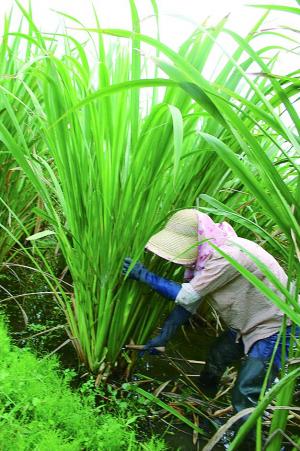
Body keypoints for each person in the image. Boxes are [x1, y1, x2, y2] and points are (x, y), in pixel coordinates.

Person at [122, 209, 298, 446]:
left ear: (197, 240)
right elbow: (189, 304)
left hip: (276, 327)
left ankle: (242, 443)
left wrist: (144, 275)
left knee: (246, 391)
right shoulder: (207, 257)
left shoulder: (228, 255)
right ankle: (205, 405)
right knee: (217, 357)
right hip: (247, 323)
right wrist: (162, 338)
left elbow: (185, 296)